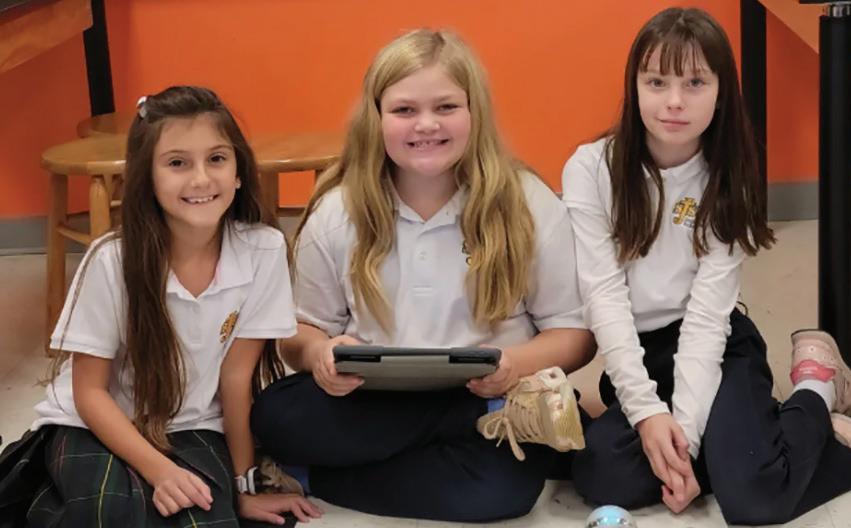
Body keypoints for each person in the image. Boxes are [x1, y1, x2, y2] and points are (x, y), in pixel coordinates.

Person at [250, 29, 594, 523]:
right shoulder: (337, 211)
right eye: (404, 110)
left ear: (475, 112)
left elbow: (575, 335)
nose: (426, 124)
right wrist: (320, 353)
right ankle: (455, 429)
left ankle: (313, 477)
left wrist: (514, 363)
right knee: (276, 415)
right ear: (376, 118)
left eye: (446, 107)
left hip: (493, 393)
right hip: (372, 398)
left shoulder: (528, 204)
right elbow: (299, 333)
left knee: (503, 493)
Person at [563, 7, 851, 525]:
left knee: (754, 500)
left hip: (718, 347)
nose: (674, 100)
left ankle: (816, 388)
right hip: (640, 352)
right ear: (634, 87)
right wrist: (647, 413)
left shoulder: (729, 178)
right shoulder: (591, 169)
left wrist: (683, 437)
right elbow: (604, 298)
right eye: (656, 81)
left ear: (721, 92)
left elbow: (707, 320)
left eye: (695, 82)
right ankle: (767, 438)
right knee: (601, 475)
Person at [0, 86, 321, 527]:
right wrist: (159, 470)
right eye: (177, 163)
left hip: (193, 426)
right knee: (109, 513)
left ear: (239, 171)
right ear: (147, 177)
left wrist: (243, 487)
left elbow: (236, 378)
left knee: (204, 519)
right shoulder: (112, 259)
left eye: (217, 158)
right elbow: (89, 393)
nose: (201, 179)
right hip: (92, 424)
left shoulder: (264, 250)